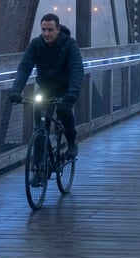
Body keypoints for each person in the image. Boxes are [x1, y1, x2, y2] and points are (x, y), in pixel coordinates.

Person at [9, 13, 84, 159]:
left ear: (58, 29)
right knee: (40, 125)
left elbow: (77, 69)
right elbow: (25, 67)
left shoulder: (70, 44)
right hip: (45, 88)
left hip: (65, 88)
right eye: (43, 29)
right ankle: (38, 165)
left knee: (63, 109)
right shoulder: (36, 44)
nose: (46, 33)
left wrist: (72, 93)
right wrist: (16, 90)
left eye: (50, 30)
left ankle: (71, 141)